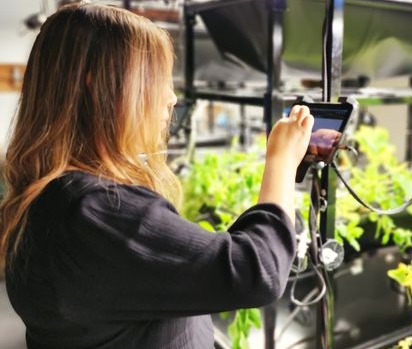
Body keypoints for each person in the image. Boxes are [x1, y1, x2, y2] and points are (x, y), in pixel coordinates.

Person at [0, 3, 313, 349]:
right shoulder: (98, 211)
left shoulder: (47, 194)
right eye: (155, 79)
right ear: (96, 84)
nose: (171, 97)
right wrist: (282, 161)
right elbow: (257, 272)